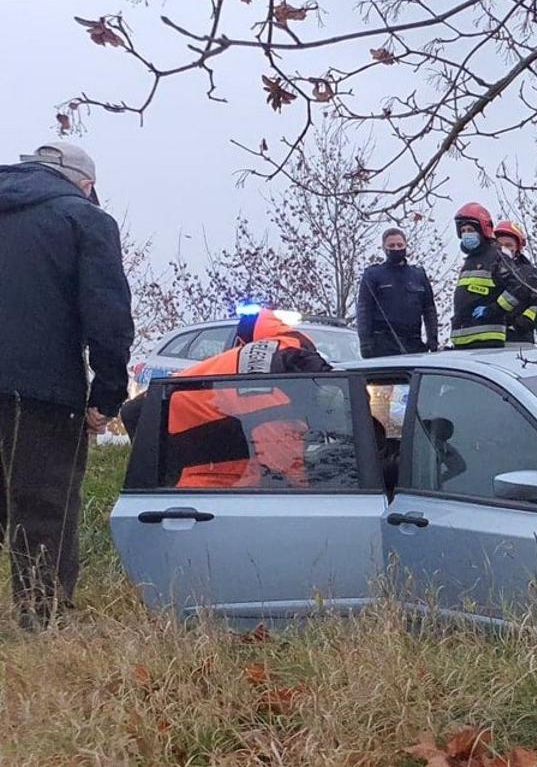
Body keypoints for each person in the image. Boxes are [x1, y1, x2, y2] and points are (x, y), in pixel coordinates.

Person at [0, 141, 134, 629]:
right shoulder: (83, 219)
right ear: (85, 183)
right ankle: (42, 618)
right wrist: (107, 395)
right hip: (41, 393)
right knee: (43, 505)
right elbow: (108, 315)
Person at [162, 308, 332, 489]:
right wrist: (304, 488)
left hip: (216, 463)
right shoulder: (274, 374)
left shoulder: (277, 358)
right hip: (207, 481)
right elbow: (280, 458)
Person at [448, 203, 533, 350]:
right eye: (463, 230)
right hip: (463, 338)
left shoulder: (497, 257)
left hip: (486, 338)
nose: (466, 234)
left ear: (483, 230)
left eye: (470, 230)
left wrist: (493, 310)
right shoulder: (471, 261)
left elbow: (518, 288)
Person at [355, 227, 439, 357]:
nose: (396, 248)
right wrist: (365, 342)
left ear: (406, 245)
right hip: (382, 346)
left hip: (414, 344)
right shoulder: (373, 274)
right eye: (391, 245)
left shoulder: (418, 275)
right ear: (384, 248)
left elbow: (429, 310)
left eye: (400, 245)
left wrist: (432, 339)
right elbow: (364, 310)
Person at [491, 220, 537, 344]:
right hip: (490, 337)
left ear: (518, 248)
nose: (504, 249)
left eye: (509, 245)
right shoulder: (486, 270)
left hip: (520, 340)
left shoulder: (532, 275)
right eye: (499, 245)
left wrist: (523, 322)